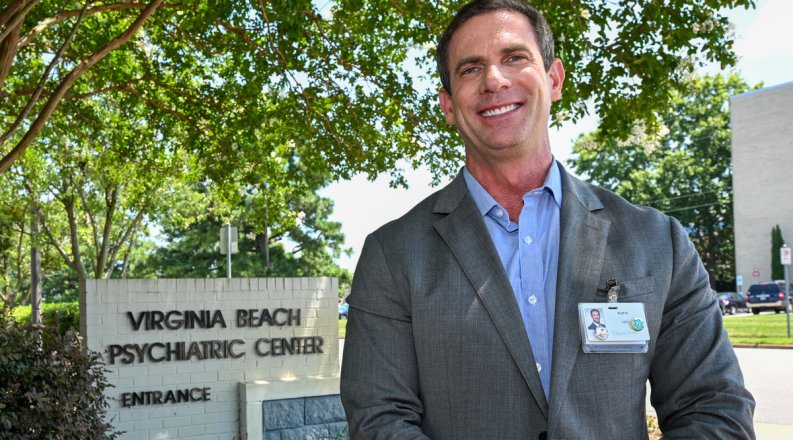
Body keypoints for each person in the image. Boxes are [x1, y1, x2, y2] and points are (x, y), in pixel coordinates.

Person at [339, 1, 755, 438]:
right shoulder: (393, 255)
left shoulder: (657, 241)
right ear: (447, 104)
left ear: (554, 79)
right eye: (470, 69)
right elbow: (380, 421)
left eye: (514, 58)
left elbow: (715, 408)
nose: (495, 80)